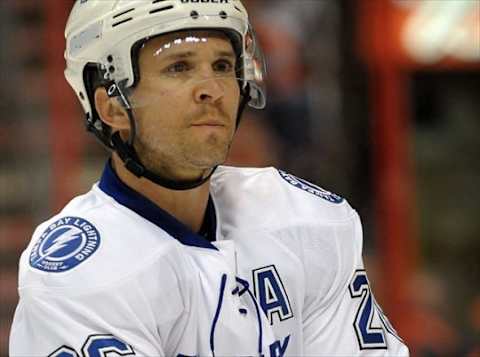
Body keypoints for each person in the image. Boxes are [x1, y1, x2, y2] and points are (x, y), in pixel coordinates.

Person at [9, 0, 409, 356]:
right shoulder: (79, 273)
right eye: (178, 67)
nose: (212, 89)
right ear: (112, 105)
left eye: (221, 65)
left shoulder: (308, 221)